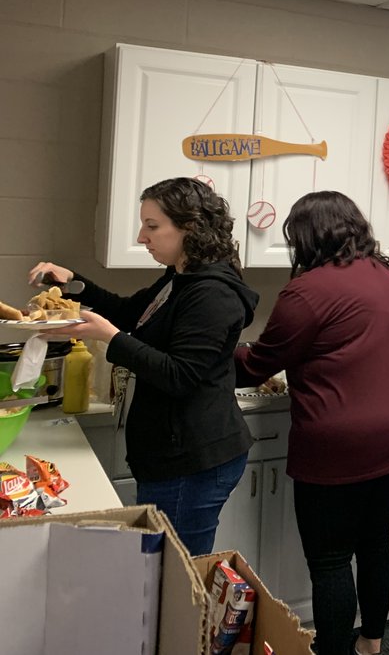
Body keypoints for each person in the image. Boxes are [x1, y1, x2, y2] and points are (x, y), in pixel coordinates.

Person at [235, 191, 389, 655]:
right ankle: (371, 641)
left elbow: (258, 364)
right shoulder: (388, 277)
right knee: (375, 540)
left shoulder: (307, 291)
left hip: (342, 441)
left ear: (306, 237)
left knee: (329, 560)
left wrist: (210, 353)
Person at [30, 177, 257, 555]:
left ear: (190, 227)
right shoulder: (178, 279)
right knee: (161, 572)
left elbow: (179, 376)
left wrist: (111, 338)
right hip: (169, 454)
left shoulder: (212, 293)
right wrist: (74, 283)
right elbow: (127, 312)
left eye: (152, 226)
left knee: (177, 578)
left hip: (193, 461)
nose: (141, 237)